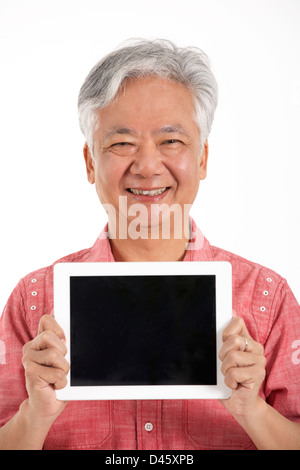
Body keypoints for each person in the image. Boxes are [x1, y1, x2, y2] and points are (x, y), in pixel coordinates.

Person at [0, 39, 299, 450]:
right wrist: (35, 416)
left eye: (171, 141)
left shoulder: (267, 298)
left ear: (203, 159)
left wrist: (253, 410)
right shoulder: (34, 301)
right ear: (90, 163)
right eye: (122, 143)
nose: (146, 166)